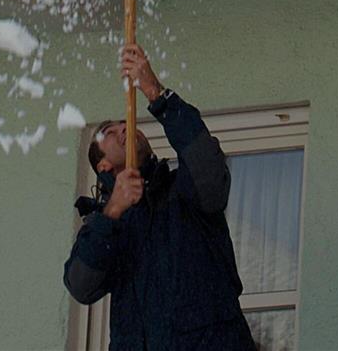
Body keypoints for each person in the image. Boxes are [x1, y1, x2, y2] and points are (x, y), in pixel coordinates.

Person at [63, 44, 257, 351]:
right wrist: (112, 210)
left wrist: (155, 91)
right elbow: (81, 286)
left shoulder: (183, 192)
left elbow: (208, 170)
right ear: (103, 166)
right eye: (109, 133)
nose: (124, 128)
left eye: (125, 124)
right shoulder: (107, 228)